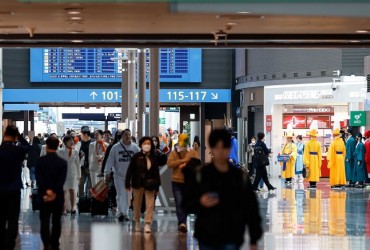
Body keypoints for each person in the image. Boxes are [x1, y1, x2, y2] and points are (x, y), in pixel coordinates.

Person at [191, 129, 262, 250]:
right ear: (211, 149)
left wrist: (254, 239)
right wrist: (200, 202)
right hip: (207, 235)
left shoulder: (239, 177)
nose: (220, 151)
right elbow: (187, 202)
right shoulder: (202, 175)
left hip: (232, 235)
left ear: (229, 148)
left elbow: (251, 208)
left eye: (223, 147)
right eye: (216, 147)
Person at [0, 125, 30, 250]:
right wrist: (20, 136)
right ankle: (10, 244)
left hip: (0, 189)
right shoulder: (18, 151)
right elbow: (27, 147)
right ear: (15, 137)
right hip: (14, 189)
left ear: (4, 135)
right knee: (13, 218)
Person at [36, 136, 67, 250]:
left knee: (44, 220)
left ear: (47, 146)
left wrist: (47, 191)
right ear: (58, 146)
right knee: (56, 221)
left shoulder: (40, 161)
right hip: (57, 196)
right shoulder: (62, 163)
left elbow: (39, 179)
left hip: (43, 196)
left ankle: (46, 243)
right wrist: (53, 192)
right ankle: (55, 243)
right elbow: (61, 181)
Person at [125, 137, 161, 233]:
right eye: (145, 143)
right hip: (138, 183)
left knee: (150, 204)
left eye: (149, 143)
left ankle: (147, 223)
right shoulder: (136, 156)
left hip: (150, 184)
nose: (147, 145)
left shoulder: (153, 157)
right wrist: (127, 182)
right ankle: (137, 221)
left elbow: (156, 172)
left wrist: (157, 186)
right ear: (141, 145)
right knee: (136, 204)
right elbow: (130, 170)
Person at [104, 129, 140, 222]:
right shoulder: (115, 148)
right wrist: (107, 172)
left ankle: (125, 213)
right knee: (120, 194)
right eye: (125, 135)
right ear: (122, 136)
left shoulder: (135, 148)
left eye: (129, 134)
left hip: (130, 176)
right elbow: (110, 161)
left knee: (128, 195)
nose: (127, 136)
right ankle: (120, 213)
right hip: (118, 175)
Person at [167, 133, 199, 233]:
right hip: (177, 181)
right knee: (179, 202)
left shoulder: (192, 152)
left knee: (187, 202)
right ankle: (182, 222)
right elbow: (169, 164)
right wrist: (183, 161)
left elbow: (197, 164)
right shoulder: (174, 152)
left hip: (189, 182)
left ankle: (185, 222)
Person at [101, 130, 123, 213]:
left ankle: (122, 207)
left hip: (125, 172)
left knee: (124, 191)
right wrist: (105, 171)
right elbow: (107, 159)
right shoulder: (112, 147)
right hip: (114, 172)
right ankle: (114, 205)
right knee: (113, 188)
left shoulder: (130, 147)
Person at [58, 135, 81, 215]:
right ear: (65, 142)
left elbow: (78, 164)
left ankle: (72, 208)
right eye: (69, 140)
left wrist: (79, 175)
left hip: (72, 174)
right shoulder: (60, 151)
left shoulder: (76, 152)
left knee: (72, 190)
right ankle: (63, 209)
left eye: (72, 140)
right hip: (63, 174)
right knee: (64, 192)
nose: (72, 142)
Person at [79, 126, 93, 197]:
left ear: (86, 134)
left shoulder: (93, 143)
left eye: (81, 134)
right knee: (80, 184)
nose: (80, 136)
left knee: (91, 186)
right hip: (82, 167)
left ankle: (90, 201)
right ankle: (81, 200)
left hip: (91, 167)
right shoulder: (79, 144)